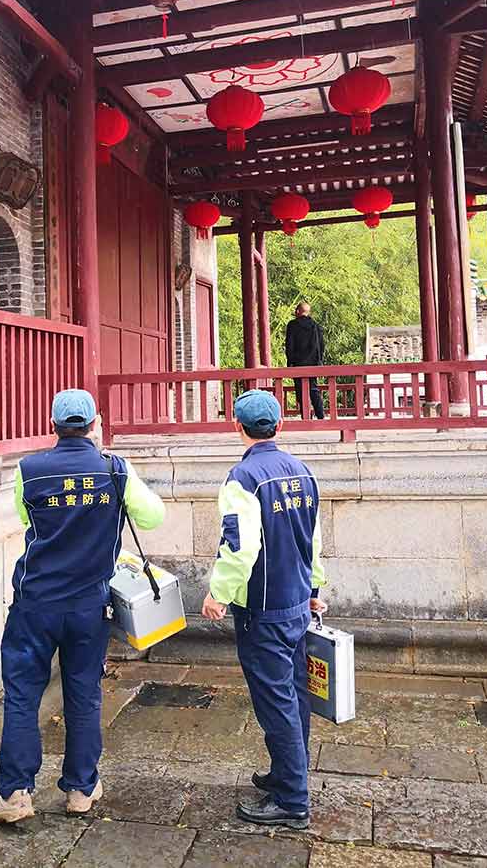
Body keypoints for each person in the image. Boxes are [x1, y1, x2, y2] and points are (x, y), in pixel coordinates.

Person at [0, 388, 165, 825]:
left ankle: (15, 795)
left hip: (36, 603)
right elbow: (153, 517)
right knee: (84, 693)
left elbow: (27, 519)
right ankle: (81, 789)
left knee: (22, 695)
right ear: (95, 424)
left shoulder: (29, 470)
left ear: (54, 426)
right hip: (89, 605)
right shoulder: (115, 469)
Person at [201, 388, 327, 829]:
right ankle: (288, 774)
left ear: (237, 426)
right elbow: (312, 540)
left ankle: (292, 799)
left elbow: (240, 547)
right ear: (280, 425)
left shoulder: (243, 478)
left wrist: (218, 593)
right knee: (294, 694)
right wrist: (313, 588)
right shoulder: (303, 471)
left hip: (263, 608)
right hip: (296, 603)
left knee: (275, 701)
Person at [285, 301, 325, 421]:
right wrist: (319, 361)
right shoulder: (316, 326)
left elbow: (289, 345)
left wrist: (290, 362)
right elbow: (321, 346)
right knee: (313, 388)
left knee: (300, 390)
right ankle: (320, 415)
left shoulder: (292, 325)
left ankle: (306, 417)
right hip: (313, 364)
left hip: (298, 364)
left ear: (298, 311)